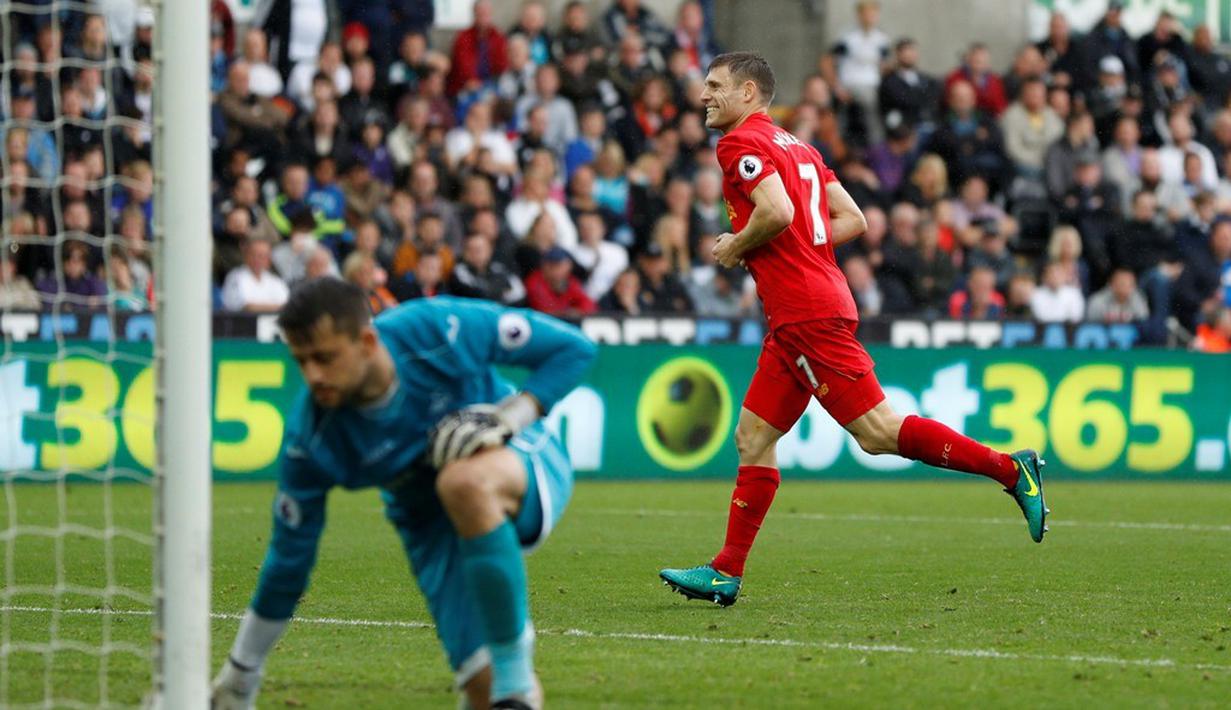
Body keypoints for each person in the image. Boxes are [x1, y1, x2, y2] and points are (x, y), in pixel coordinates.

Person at [659, 53, 1049, 608]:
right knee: (754, 437)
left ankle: (1011, 469)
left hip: (807, 313)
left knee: (878, 433)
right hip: (803, 312)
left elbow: (776, 213)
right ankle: (726, 571)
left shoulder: (738, 145)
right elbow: (852, 220)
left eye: (715, 85)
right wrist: (790, 249)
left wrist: (736, 245)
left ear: (749, 92)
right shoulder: (801, 148)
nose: (704, 95)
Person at [209, 278, 596, 710]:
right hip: (426, 524)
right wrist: (242, 674)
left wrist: (509, 419)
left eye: (325, 357)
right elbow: (288, 562)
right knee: (482, 691)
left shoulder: (439, 328)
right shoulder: (312, 439)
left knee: (463, 481)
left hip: (519, 456)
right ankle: (504, 686)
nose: (313, 375)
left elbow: (574, 348)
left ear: (368, 341)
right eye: (302, 361)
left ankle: (515, 680)